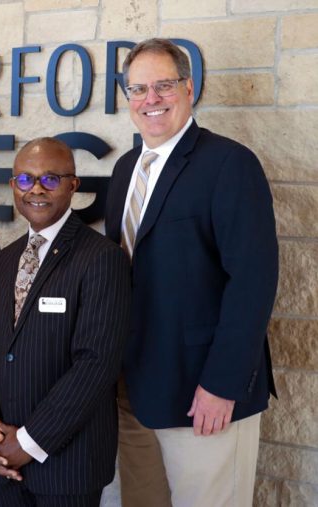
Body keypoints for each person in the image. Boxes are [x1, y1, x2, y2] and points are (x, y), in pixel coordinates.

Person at [105, 38, 279, 507]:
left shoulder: (229, 164)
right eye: (138, 89)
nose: (150, 99)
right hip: (133, 389)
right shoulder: (125, 170)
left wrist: (221, 385)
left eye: (163, 85)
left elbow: (253, 281)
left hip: (202, 396)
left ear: (189, 87)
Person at [0, 137, 131, 506]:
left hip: (68, 466)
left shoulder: (102, 259)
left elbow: (96, 365)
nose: (37, 190)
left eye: (51, 179)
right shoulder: (6, 259)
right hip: (6, 464)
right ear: (13, 186)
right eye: (25, 180)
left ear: (73, 185)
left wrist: (26, 443)